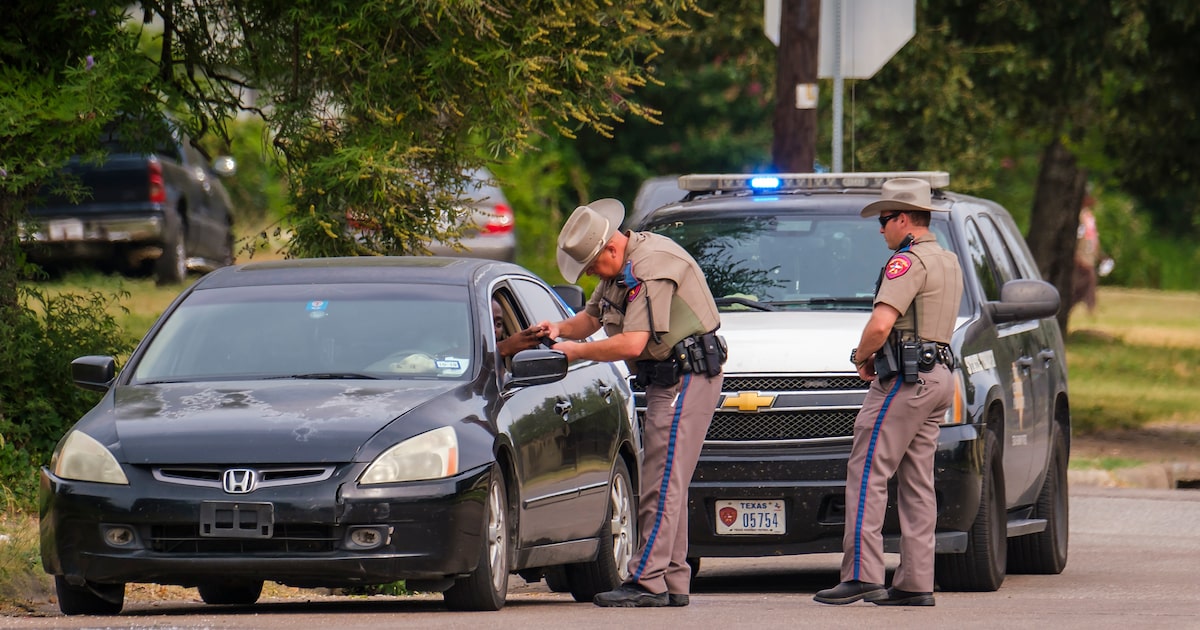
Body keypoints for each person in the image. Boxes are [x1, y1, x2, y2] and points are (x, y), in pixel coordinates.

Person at [537, 198, 725, 608]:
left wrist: (575, 352)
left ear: (608, 248)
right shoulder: (620, 268)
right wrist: (557, 328)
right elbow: (590, 319)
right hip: (666, 379)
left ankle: (646, 580)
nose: (590, 274)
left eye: (591, 266)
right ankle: (673, 579)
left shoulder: (648, 267)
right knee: (664, 478)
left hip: (687, 376)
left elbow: (633, 342)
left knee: (664, 481)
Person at [814, 177, 963, 607]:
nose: (880, 230)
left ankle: (862, 573)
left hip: (904, 380)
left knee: (867, 472)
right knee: (918, 482)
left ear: (903, 218)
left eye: (884, 220)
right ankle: (916, 582)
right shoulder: (948, 259)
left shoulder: (908, 262)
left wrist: (861, 357)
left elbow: (882, 324)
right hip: (937, 378)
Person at [1071, 195, 1108, 315]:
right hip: (1082, 256)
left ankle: (1090, 307)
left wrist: (1099, 255)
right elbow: (1078, 236)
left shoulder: (1089, 216)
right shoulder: (1079, 216)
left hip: (1090, 256)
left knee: (1088, 281)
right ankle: (1089, 307)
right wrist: (1077, 254)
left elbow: (1093, 237)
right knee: (1086, 280)